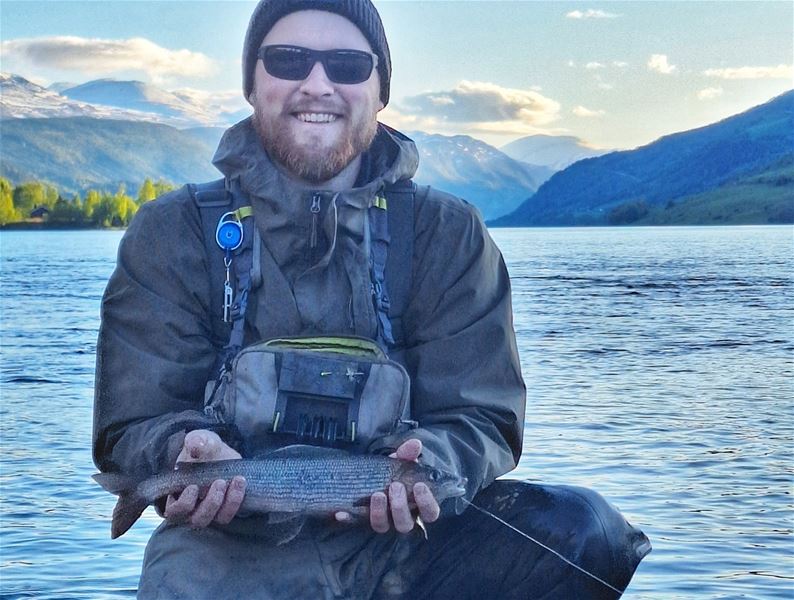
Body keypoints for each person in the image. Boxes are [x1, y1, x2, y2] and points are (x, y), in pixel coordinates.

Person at [92, 0, 650, 598]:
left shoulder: (448, 232)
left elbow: (484, 416)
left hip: (419, 547)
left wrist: (428, 462)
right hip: (222, 553)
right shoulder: (173, 230)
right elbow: (133, 420)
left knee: (589, 531)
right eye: (288, 60)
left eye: (347, 65)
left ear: (381, 90)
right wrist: (178, 448)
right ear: (251, 84)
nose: (317, 84)